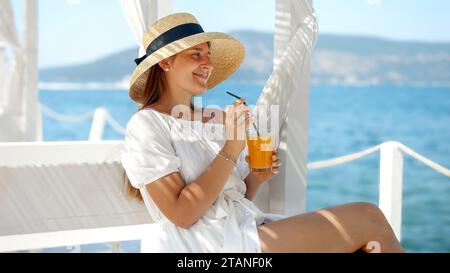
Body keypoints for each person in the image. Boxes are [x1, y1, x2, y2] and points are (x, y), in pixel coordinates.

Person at [121, 12, 404, 253]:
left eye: (208, 55)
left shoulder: (213, 118)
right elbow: (183, 214)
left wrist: (255, 178)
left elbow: (228, 199)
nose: (208, 63)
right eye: (196, 55)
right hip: (203, 245)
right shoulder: (147, 125)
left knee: (365, 246)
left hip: (241, 229)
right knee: (368, 218)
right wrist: (232, 147)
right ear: (165, 62)